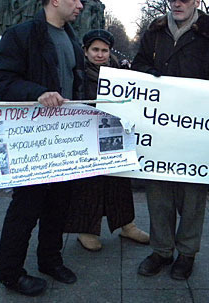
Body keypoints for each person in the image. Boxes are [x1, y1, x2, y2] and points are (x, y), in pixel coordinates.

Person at [132, 0, 209, 280]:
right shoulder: (155, 31)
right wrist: (148, 74)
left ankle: (186, 253)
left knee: (192, 197)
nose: (177, 3)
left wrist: (197, 98)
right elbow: (137, 65)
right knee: (158, 192)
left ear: (196, 2)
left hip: (195, 130)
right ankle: (161, 250)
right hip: (159, 127)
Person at [0, 0, 84, 296]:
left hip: (65, 138)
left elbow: (76, 83)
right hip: (30, 141)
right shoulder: (21, 35)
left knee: (59, 203)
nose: (80, 5)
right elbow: (1, 81)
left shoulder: (72, 38)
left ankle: (50, 259)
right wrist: (38, 92)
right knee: (26, 207)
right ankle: (11, 273)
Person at [64, 29, 149, 252]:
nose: (100, 54)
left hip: (114, 136)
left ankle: (126, 224)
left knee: (119, 182)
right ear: (86, 51)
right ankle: (87, 230)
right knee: (88, 184)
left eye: (104, 50)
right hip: (86, 138)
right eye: (95, 50)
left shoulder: (120, 74)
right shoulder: (77, 74)